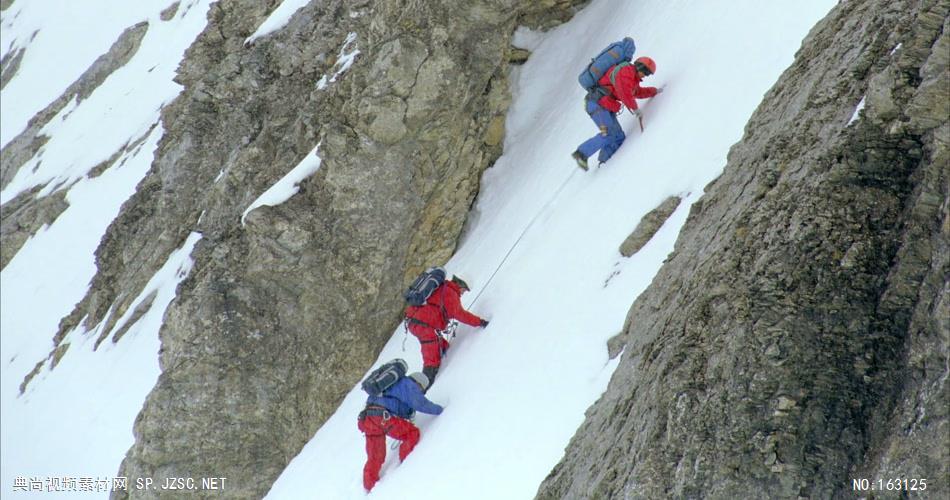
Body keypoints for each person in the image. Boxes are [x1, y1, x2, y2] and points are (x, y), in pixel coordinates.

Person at [357, 372, 443, 492]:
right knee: (411, 433)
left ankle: (369, 488)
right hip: (383, 418)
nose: (421, 392)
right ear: (418, 383)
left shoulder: (389, 385)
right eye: (422, 389)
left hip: (368, 419)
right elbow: (421, 404)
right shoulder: (407, 384)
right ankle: (406, 464)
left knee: (375, 457)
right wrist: (441, 411)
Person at [572, 56, 662, 170]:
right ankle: (581, 153)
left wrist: (654, 91)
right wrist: (635, 109)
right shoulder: (626, 71)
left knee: (618, 137)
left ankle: (604, 162)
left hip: (605, 105)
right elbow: (624, 92)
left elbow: (637, 92)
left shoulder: (632, 79)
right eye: (646, 72)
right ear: (640, 67)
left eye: (648, 74)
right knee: (609, 133)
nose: (645, 76)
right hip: (596, 103)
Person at [405, 275, 487, 384]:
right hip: (421, 324)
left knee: (442, 346)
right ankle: (425, 382)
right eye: (464, 290)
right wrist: (480, 322)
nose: (463, 293)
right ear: (460, 284)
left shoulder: (444, 288)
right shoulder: (450, 293)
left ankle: (442, 356)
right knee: (431, 355)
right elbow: (460, 315)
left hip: (416, 321)